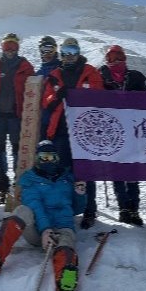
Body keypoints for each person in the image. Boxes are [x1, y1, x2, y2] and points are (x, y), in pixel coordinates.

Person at [0, 141, 87, 291]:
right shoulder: (30, 180)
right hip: (38, 232)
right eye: (44, 157)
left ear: (57, 158)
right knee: (22, 210)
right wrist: (45, 230)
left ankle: (64, 283)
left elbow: (77, 209)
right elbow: (35, 206)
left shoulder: (67, 178)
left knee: (66, 241)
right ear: (37, 159)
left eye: (52, 157)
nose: (48, 161)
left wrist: (80, 194)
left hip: (63, 227)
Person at [41, 37, 104, 229]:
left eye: (73, 51)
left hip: (85, 131)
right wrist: (56, 96)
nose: (69, 56)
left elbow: (99, 95)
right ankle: (65, 208)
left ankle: (89, 210)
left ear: (78, 53)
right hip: (61, 130)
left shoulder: (90, 72)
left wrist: (79, 94)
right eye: (66, 52)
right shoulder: (54, 74)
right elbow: (46, 101)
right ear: (61, 54)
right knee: (62, 172)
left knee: (86, 171)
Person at [0, 33, 36, 203]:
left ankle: (18, 184)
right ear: (2, 48)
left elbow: (33, 91)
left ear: (17, 48)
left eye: (13, 47)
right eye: (7, 47)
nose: (10, 50)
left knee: (17, 151)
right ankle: (2, 186)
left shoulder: (25, 67)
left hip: (16, 117)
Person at [98, 44, 146, 226]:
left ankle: (134, 208)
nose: (115, 61)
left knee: (132, 170)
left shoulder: (135, 77)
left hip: (132, 129)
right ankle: (123, 208)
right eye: (111, 58)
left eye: (118, 57)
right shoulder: (101, 77)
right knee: (117, 170)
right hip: (111, 131)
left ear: (124, 58)